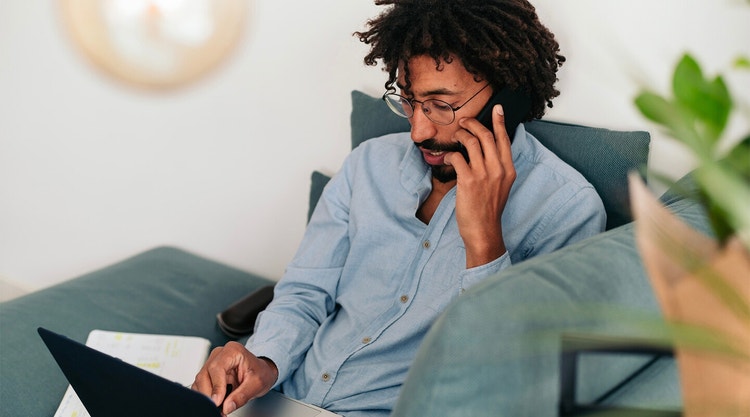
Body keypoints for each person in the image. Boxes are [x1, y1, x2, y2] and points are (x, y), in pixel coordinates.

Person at [192, 1, 606, 416]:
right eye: (410, 100)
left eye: (442, 105)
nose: (418, 130)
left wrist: (484, 244)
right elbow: (305, 292)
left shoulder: (565, 211)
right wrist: (263, 362)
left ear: (508, 98)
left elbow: (515, 380)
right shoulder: (368, 165)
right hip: (278, 398)